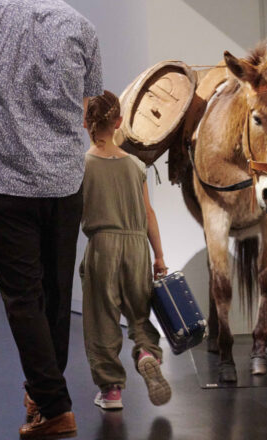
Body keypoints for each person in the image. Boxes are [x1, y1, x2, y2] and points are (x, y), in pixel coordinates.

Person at [0, 0, 102, 440]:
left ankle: (55, 407)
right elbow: (89, 104)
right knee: (56, 296)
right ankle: (43, 396)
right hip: (64, 181)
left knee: (23, 298)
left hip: (7, 179)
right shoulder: (82, 26)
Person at [80, 91, 171, 410]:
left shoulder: (83, 164)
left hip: (103, 245)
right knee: (139, 312)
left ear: (84, 122)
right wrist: (158, 256)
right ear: (119, 122)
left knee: (101, 318)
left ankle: (111, 391)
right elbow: (149, 213)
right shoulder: (135, 165)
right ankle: (147, 353)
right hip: (136, 247)